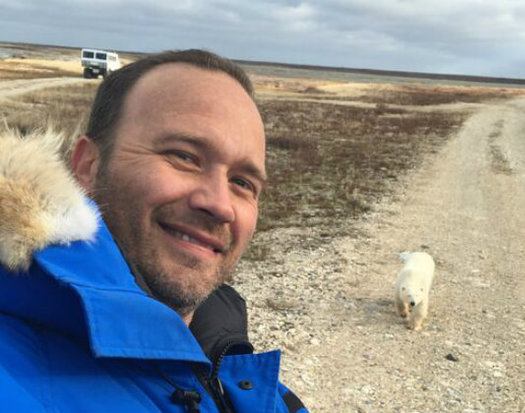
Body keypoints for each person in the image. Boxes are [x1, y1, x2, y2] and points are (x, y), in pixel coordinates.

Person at [0, 49, 308, 413]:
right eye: (184, 156)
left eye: (242, 182)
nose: (220, 205)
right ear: (88, 165)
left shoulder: (250, 382)